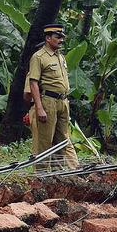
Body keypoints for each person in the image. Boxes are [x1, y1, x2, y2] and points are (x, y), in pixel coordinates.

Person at [27, 23, 80, 171]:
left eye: (62, 37)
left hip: (62, 101)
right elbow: (33, 83)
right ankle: (42, 176)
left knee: (62, 140)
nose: (61, 40)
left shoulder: (60, 57)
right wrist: (39, 107)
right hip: (48, 101)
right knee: (45, 141)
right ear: (48, 38)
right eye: (58, 37)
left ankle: (60, 174)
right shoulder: (38, 57)